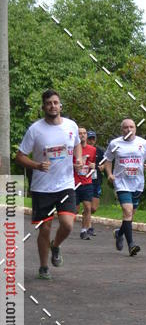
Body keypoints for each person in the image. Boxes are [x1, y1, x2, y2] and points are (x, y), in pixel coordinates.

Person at [15, 89, 83, 279]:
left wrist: (77, 159)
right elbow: (19, 157)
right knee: (44, 228)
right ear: (43, 107)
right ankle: (44, 267)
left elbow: (77, 143)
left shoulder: (71, 126)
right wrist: (37, 165)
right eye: (48, 103)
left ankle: (56, 245)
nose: (52, 106)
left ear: (60, 105)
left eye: (55, 102)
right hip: (42, 187)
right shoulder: (35, 130)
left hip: (66, 184)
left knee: (67, 225)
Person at [104, 119, 146, 256]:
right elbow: (108, 160)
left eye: (131, 127)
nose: (128, 129)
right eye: (125, 127)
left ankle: (119, 233)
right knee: (127, 211)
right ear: (122, 130)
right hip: (121, 183)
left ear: (135, 129)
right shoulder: (115, 143)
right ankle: (131, 245)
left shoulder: (143, 143)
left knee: (130, 215)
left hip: (137, 183)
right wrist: (109, 174)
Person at [74, 126, 97, 239]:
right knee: (75, 209)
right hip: (74, 182)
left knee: (88, 207)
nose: (82, 135)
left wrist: (93, 166)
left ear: (86, 136)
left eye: (84, 133)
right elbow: (66, 165)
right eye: (79, 133)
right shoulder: (72, 148)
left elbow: (92, 165)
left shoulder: (92, 150)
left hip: (87, 182)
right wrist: (76, 166)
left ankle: (84, 230)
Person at [87, 128, 105, 232]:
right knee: (87, 205)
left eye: (93, 139)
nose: (91, 141)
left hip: (96, 181)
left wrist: (98, 166)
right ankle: (88, 227)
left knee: (93, 208)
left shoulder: (100, 151)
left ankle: (86, 215)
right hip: (85, 181)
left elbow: (104, 165)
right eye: (90, 138)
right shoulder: (81, 150)